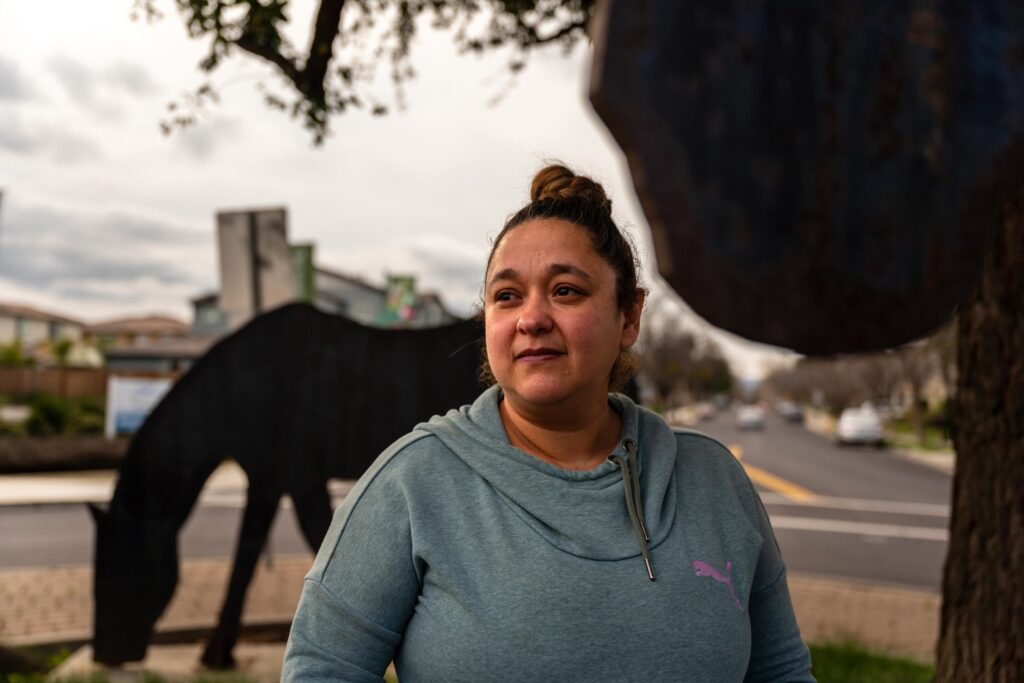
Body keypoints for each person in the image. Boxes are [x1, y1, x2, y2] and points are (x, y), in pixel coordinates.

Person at [281, 164, 814, 682]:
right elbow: (322, 668)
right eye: (506, 296)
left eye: (565, 291)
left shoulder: (716, 481)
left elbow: (781, 670)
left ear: (628, 317)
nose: (531, 318)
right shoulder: (410, 483)